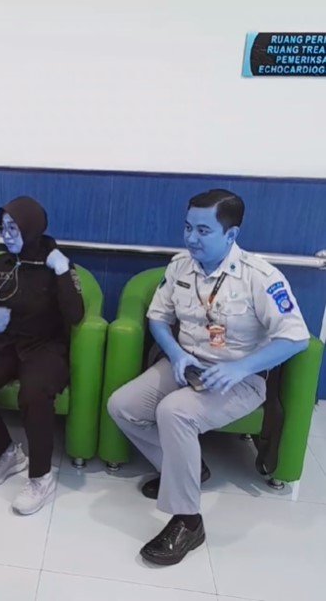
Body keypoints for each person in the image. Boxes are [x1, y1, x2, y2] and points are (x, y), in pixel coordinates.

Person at [108, 189, 309, 565]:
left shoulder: (260, 276)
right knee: (122, 406)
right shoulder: (180, 266)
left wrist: (239, 368)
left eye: (203, 231)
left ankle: (188, 521)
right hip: (185, 365)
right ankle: (186, 469)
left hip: (239, 378)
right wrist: (176, 353)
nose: (191, 238)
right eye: (187, 227)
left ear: (231, 234)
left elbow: (297, 337)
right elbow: (157, 318)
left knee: (175, 412)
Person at [0, 196, 84, 515]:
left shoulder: (56, 263)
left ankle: (40, 477)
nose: (7, 235)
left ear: (31, 227)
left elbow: (75, 314)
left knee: (34, 394)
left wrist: (62, 270)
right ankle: (5, 454)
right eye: (3, 228)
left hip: (45, 346)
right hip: (3, 343)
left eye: (14, 228)